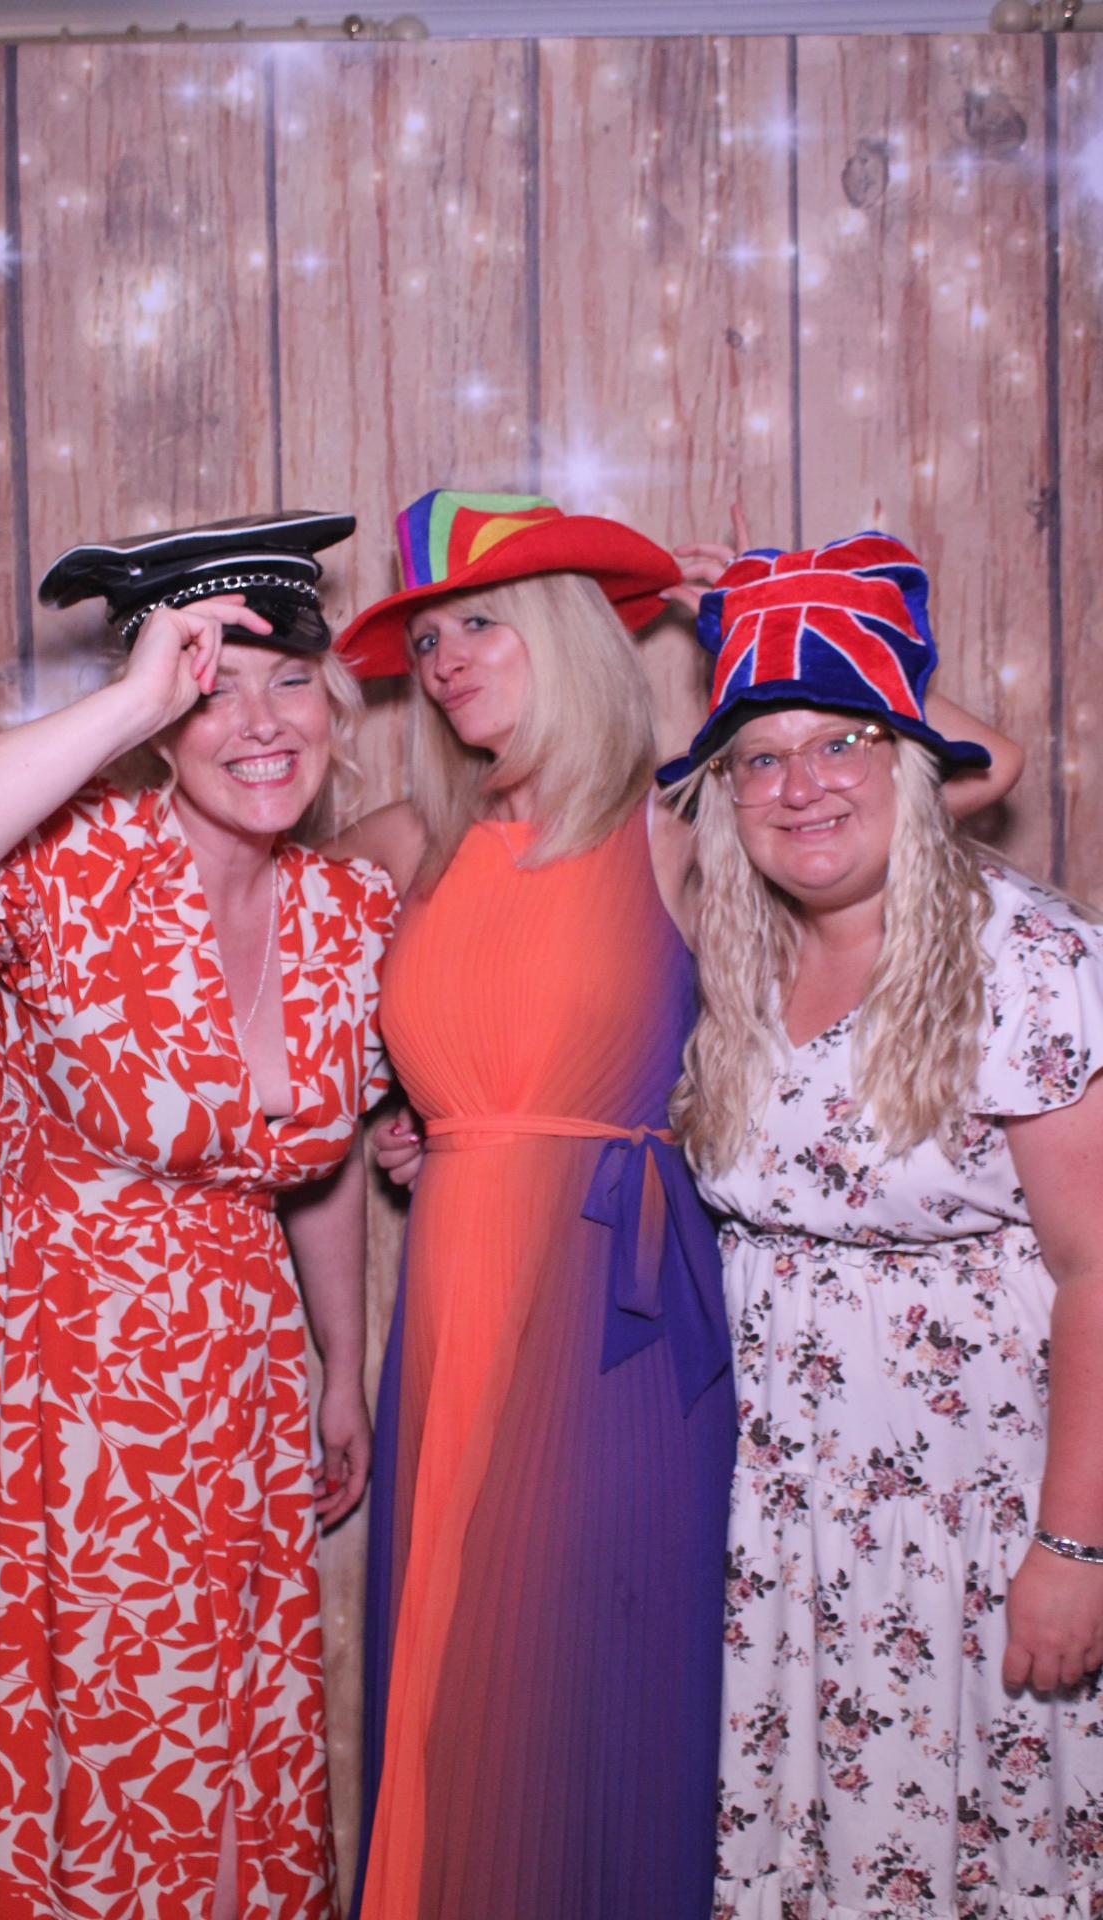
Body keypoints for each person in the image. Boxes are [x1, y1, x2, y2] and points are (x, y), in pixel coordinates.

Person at [332, 492, 1020, 1920]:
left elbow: (976, 769)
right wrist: (422, 1115)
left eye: (481, 624)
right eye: (429, 639)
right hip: (449, 1304)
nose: (447, 662)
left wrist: (770, 630)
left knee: (594, 1673)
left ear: (567, 630)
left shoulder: (673, 819)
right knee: (451, 1683)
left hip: (619, 1314)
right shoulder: (406, 841)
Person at [0, 514, 396, 1920]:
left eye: (290, 682)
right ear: (157, 728)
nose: (258, 725)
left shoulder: (349, 911)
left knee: (225, 1725)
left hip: (235, 1373)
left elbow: (308, 1166)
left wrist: (344, 1365)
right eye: (210, 692)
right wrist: (129, 702)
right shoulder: (76, 865)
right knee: (91, 1727)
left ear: (335, 704)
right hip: (49, 1371)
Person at [658, 531, 1103, 1916]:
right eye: (761, 756)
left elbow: (1097, 1267)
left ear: (913, 760)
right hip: (790, 1516)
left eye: (846, 740)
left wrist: (1073, 1549)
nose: (803, 785)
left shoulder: (1024, 954)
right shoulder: (738, 949)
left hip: (979, 1507)